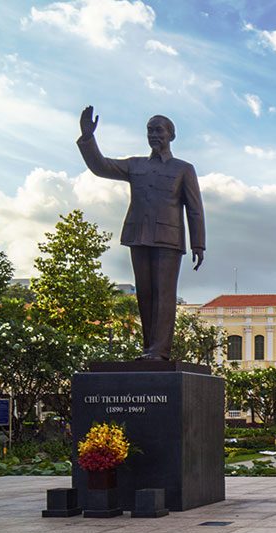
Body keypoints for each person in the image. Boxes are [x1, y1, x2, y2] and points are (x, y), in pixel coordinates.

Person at [76, 106, 206, 360]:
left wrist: (198, 244)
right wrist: (88, 138)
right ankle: (150, 350)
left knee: (164, 295)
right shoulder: (135, 165)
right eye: (150, 130)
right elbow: (101, 167)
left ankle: (160, 350)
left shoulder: (183, 169)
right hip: (138, 236)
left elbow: (195, 209)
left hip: (169, 240)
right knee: (144, 295)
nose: (154, 135)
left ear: (171, 135)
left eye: (159, 130)